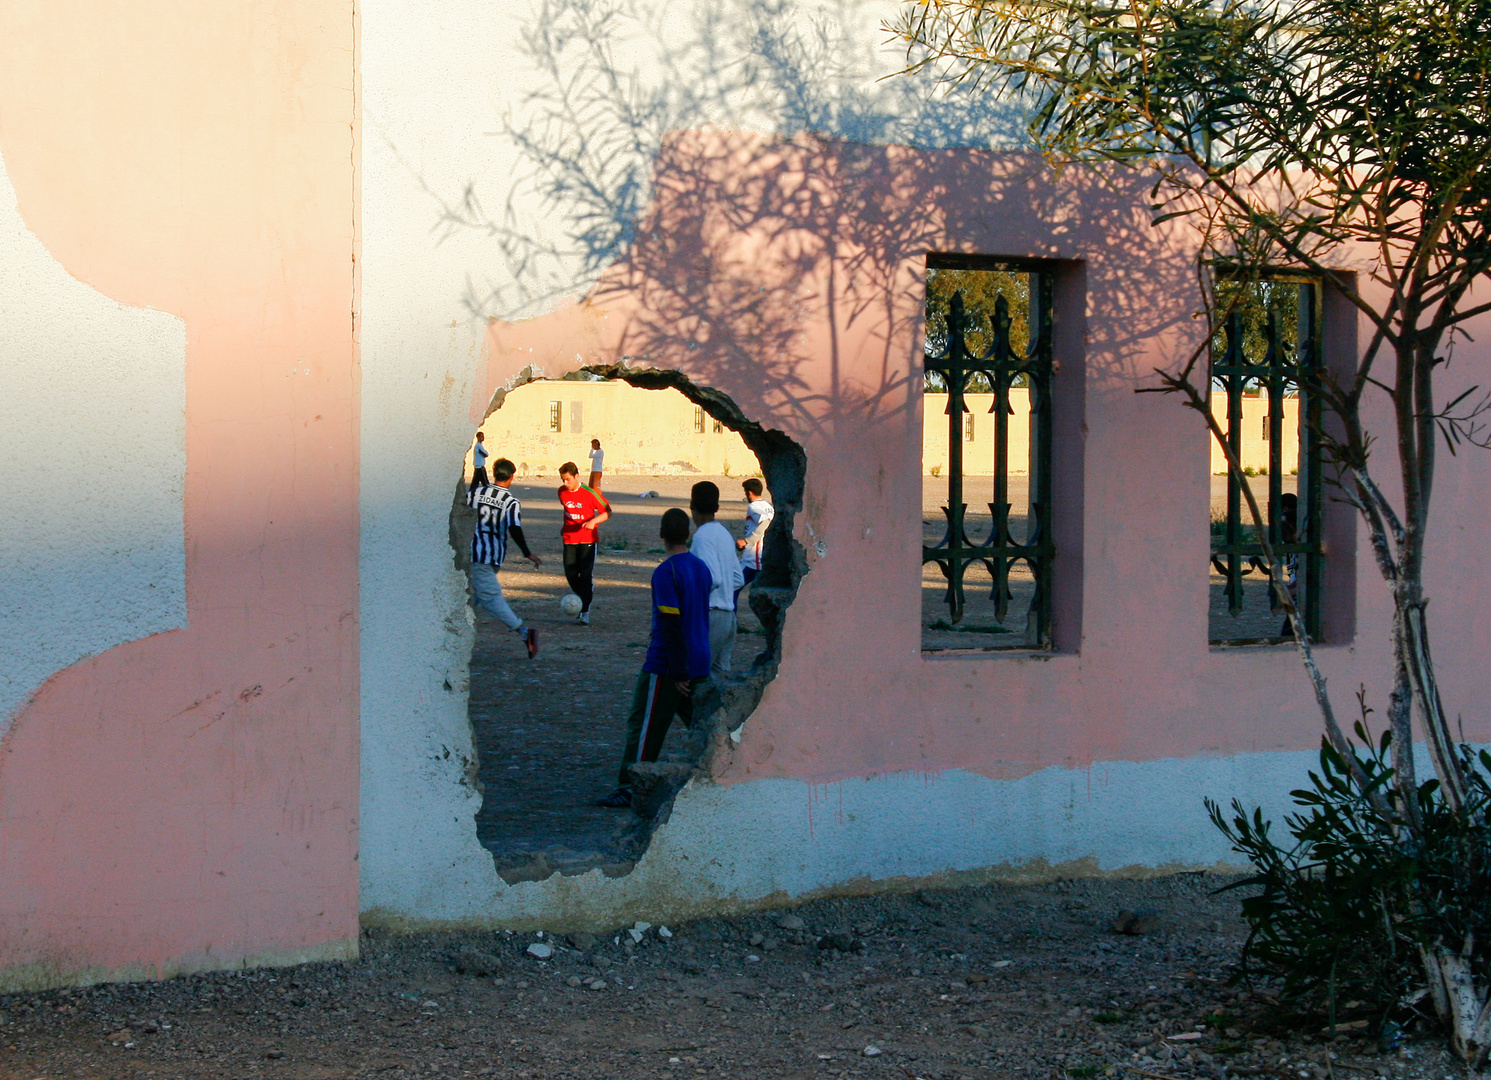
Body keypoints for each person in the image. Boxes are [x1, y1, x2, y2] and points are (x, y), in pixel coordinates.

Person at [595, 508, 711, 809]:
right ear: (688, 533)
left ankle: (631, 787)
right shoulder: (701, 568)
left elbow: (671, 623)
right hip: (699, 659)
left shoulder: (665, 572)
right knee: (703, 725)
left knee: (643, 724)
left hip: (668, 665)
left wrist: (678, 671)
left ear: (661, 534)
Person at [465, 457, 541, 658]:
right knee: (475, 598)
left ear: (494, 473)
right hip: (492, 556)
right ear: (512, 477)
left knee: (487, 597)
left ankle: (525, 633)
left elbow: (459, 514)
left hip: (474, 554)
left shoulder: (475, 493)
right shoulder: (511, 502)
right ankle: (450, 638)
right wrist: (527, 552)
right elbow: (514, 528)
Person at [688, 480, 744, 677]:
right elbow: (738, 578)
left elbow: (712, 578)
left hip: (711, 614)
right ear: (717, 507)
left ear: (691, 506)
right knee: (720, 679)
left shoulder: (702, 537)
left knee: (695, 676)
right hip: (729, 617)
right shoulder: (724, 533)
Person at [557, 461, 610, 625]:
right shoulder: (562, 493)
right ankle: (583, 596)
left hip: (587, 540)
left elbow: (607, 511)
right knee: (571, 574)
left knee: (585, 575)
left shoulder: (589, 493)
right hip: (569, 539)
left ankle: (584, 611)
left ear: (576, 476)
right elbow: (568, 512)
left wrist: (594, 521)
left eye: (568, 479)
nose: (565, 483)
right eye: (563, 480)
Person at [735, 477, 774, 607]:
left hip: (753, 559)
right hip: (763, 556)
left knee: (731, 587)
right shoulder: (768, 506)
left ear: (749, 492)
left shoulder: (754, 507)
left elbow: (765, 522)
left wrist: (747, 541)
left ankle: (731, 623)